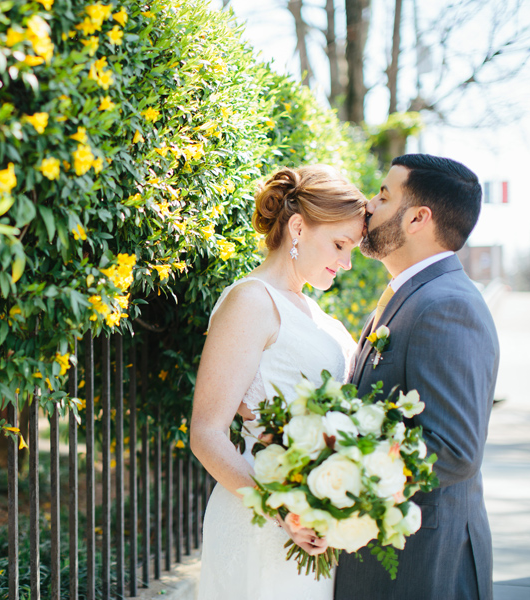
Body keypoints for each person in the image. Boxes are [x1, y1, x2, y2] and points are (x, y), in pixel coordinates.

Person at [191, 164, 367, 599]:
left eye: (352, 251)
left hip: (310, 524)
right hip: (261, 519)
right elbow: (206, 433)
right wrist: (283, 510)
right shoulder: (251, 300)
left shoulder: (315, 313)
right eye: (340, 245)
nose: (345, 263)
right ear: (297, 227)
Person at [335, 154, 499, 600]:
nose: (368, 205)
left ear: (418, 218)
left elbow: (453, 450)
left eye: (384, 196)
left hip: (424, 569)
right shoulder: (411, 295)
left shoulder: (447, 304)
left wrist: (339, 471)